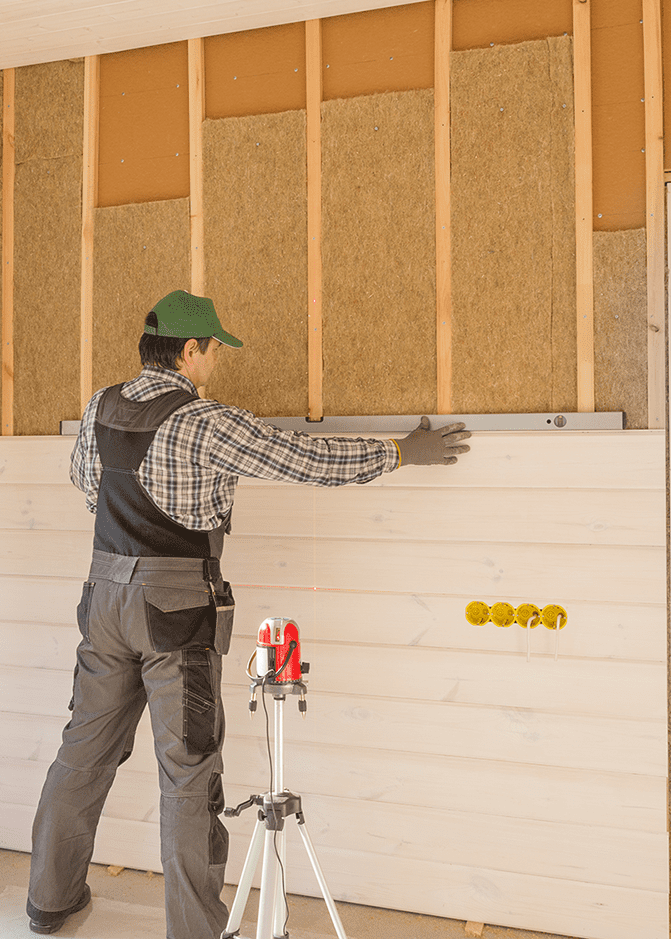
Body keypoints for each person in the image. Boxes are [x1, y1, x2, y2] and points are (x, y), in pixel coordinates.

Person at [26, 289, 471, 937]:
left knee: (82, 754)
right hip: (173, 612)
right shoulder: (205, 421)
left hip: (103, 598)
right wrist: (401, 452)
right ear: (188, 351)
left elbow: (85, 483)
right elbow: (309, 461)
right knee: (189, 774)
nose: (215, 364)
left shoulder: (101, 406)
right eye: (212, 351)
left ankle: (50, 903)